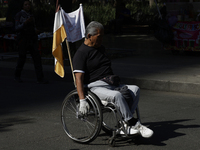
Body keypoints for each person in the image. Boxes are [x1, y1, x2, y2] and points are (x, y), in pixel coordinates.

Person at [73, 21, 153, 138]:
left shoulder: (101, 48)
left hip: (110, 82)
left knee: (135, 89)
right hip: (94, 87)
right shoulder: (81, 54)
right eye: (99, 37)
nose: (102, 40)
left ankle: (125, 122)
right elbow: (78, 78)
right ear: (89, 36)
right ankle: (132, 123)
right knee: (117, 96)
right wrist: (82, 100)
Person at [14, 0, 47, 83]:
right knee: (22, 58)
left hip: (32, 39)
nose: (27, 6)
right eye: (25, 5)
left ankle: (40, 78)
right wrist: (25, 23)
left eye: (28, 4)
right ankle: (17, 75)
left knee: (37, 58)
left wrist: (36, 30)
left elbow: (34, 26)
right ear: (22, 6)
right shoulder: (19, 15)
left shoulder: (31, 15)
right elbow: (17, 27)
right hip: (23, 39)